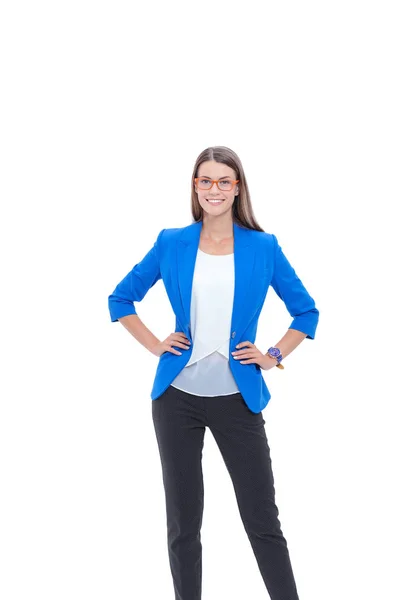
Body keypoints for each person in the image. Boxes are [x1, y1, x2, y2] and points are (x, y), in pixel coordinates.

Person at [108, 145, 319, 600]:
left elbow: (306, 313)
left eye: (224, 181)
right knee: (184, 524)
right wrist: (157, 345)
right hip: (176, 398)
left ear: (238, 187)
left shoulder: (263, 247)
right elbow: (120, 299)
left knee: (262, 521)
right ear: (195, 187)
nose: (214, 189)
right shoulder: (172, 242)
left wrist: (273, 354)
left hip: (237, 399)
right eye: (205, 180)